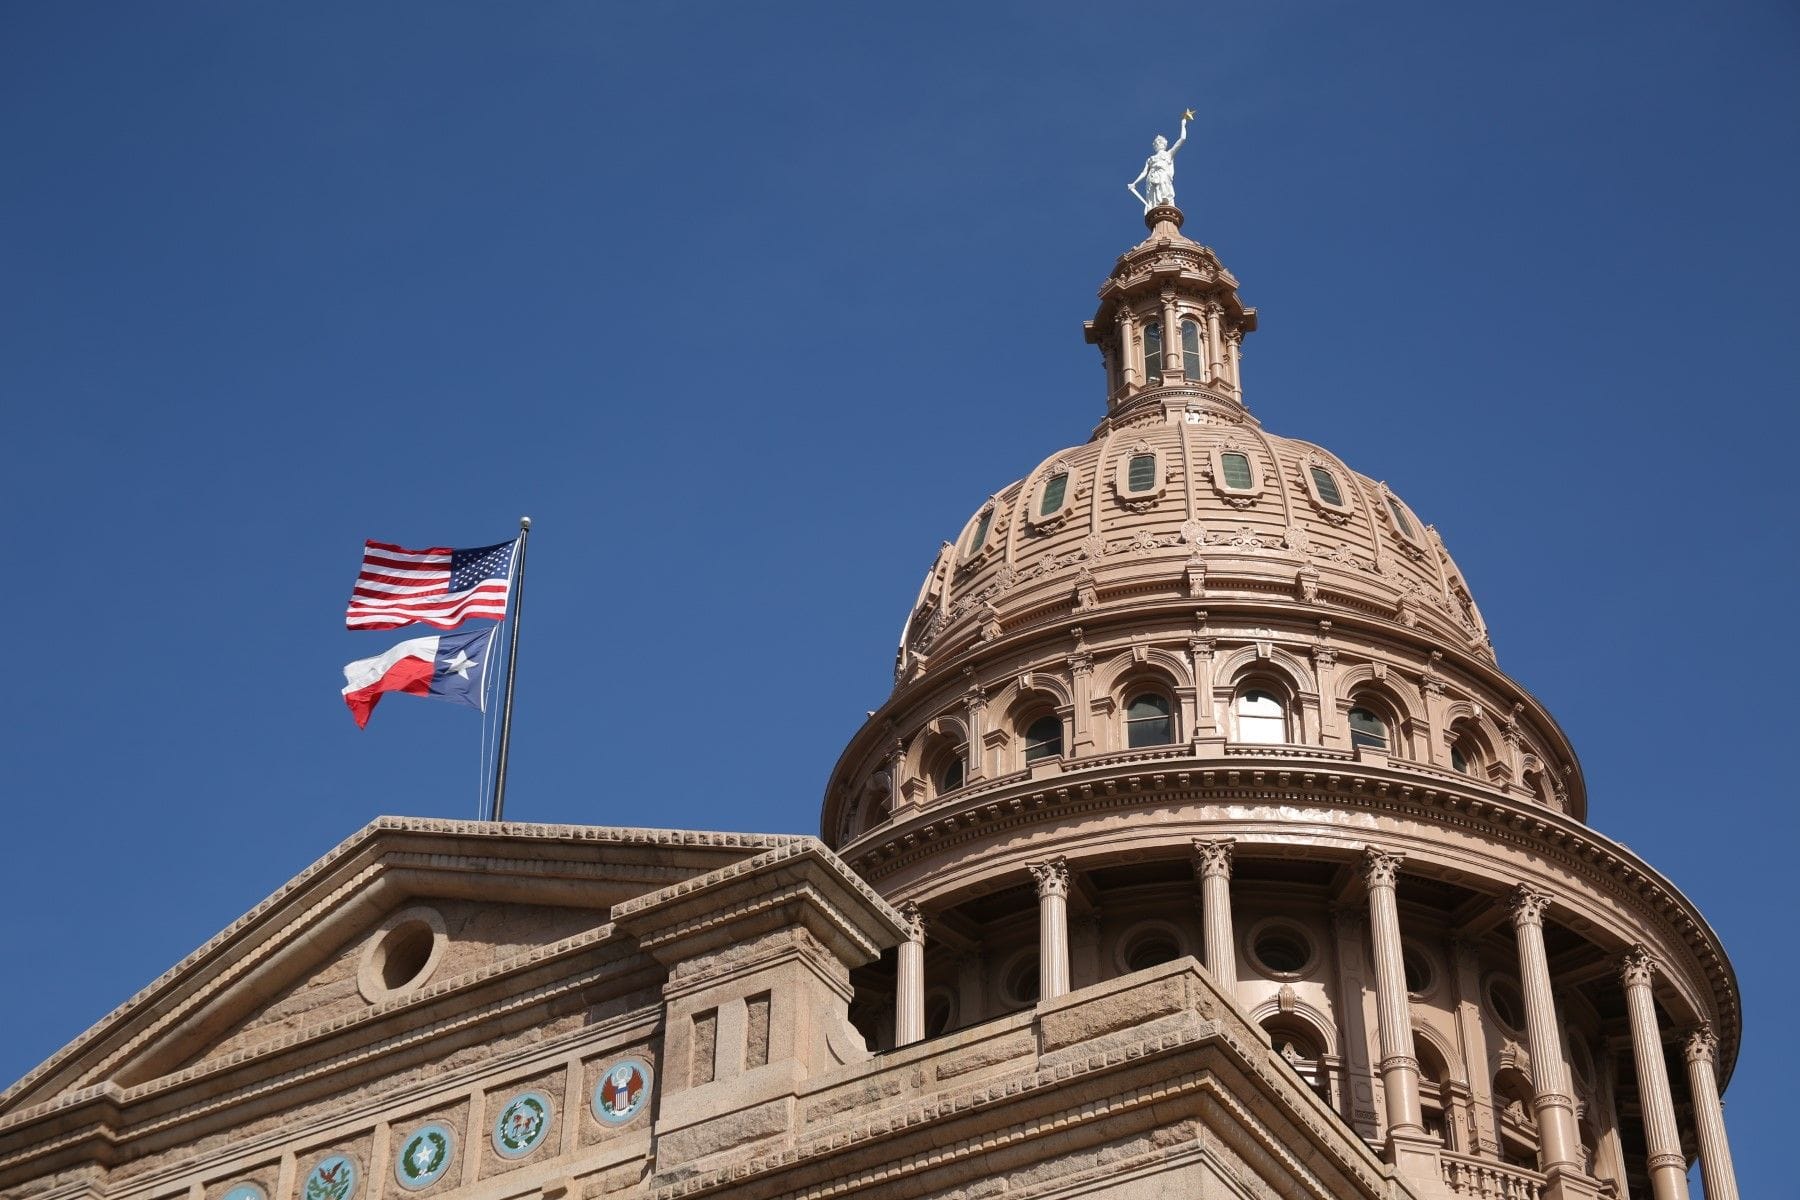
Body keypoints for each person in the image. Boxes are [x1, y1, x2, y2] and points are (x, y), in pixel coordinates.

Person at [1128, 115, 1188, 212]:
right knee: (1155, 198)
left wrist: (1183, 125)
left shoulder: (1169, 153)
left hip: (1163, 174)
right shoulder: (1151, 159)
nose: (1158, 144)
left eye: (1160, 143)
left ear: (1165, 144)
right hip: (1152, 178)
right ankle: (1157, 207)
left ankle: (1165, 202)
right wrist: (1134, 183)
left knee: (1164, 185)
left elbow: (1182, 139)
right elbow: (1144, 172)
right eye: (1156, 143)